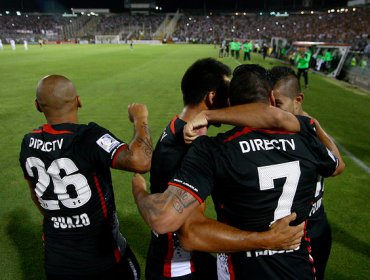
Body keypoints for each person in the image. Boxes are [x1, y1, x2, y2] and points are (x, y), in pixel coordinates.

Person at [132, 64, 342, 279]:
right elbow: (337, 165)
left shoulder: (213, 149)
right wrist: (308, 123)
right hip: (298, 269)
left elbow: (184, 230)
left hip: (240, 269)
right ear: (271, 97)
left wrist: (139, 192)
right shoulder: (305, 137)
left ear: (231, 103)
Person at [19, 75, 153, 280]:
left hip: (57, 262)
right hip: (104, 259)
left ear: (38, 106)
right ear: (79, 101)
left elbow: (36, 195)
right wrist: (140, 118)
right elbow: (141, 161)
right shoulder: (88, 137)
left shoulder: (29, 143)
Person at [269, 66, 345, 280]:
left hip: (314, 227)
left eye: (278, 104)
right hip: (279, 231)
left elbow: (338, 166)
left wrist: (313, 124)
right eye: (269, 104)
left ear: (298, 100)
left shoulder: (309, 133)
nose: (272, 110)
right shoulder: (269, 126)